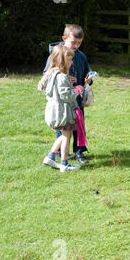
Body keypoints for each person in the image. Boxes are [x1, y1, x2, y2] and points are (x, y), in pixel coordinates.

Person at [43, 24, 93, 164]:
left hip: (76, 98)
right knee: (63, 125)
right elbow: (46, 75)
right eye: (73, 42)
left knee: (79, 124)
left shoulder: (81, 56)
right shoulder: (56, 54)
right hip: (62, 100)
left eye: (79, 43)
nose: (76, 45)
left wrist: (88, 79)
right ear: (64, 38)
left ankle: (79, 152)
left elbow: (86, 72)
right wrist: (62, 77)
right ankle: (60, 152)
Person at [39, 44, 81, 172]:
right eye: (70, 59)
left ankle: (54, 158)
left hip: (55, 111)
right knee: (65, 136)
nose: (72, 61)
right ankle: (62, 162)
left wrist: (69, 83)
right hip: (62, 112)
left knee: (63, 136)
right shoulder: (62, 77)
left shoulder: (53, 74)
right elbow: (66, 96)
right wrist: (77, 90)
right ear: (63, 61)